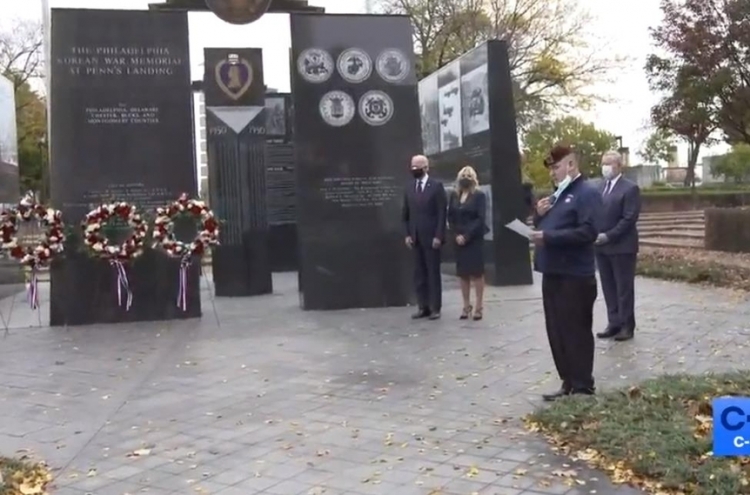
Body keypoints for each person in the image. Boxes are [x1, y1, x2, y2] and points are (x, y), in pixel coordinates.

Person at [530, 144, 602, 401]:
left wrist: (548, 237)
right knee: (557, 330)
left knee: (576, 330)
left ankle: (583, 385)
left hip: (574, 275)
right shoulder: (559, 194)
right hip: (553, 271)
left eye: (557, 167)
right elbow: (551, 224)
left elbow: (588, 232)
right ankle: (568, 381)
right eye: (551, 169)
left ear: (571, 165)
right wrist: (539, 217)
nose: (553, 173)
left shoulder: (586, 193)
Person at [595, 150, 641, 342]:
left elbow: (628, 218)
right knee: (608, 287)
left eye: (609, 163)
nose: (605, 167)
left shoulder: (630, 188)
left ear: (619, 166)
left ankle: (626, 325)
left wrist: (609, 236)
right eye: (603, 163)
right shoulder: (600, 187)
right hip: (600, 246)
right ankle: (613, 322)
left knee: (623, 288)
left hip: (622, 247)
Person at [402, 155, 447, 320]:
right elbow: (405, 214)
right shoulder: (409, 187)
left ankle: (435, 307)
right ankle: (423, 306)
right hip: (415, 238)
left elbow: (442, 213)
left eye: (417, 166)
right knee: (419, 274)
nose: (414, 169)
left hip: (432, 237)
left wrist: (439, 235)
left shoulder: (436, 186)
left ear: (426, 167)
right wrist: (407, 234)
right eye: (412, 166)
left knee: (433, 273)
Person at [447, 166, 488, 320]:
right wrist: (457, 234)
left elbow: (480, 218)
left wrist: (467, 235)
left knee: (477, 273)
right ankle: (466, 305)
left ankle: (479, 306)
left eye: (468, 175)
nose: (465, 177)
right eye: (463, 175)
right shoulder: (454, 196)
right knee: (463, 274)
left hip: (474, 239)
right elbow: (450, 217)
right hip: (458, 240)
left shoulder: (479, 196)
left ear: (474, 178)